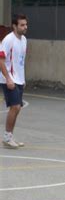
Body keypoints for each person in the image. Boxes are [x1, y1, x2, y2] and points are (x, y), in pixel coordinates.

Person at [0, 14, 28, 149]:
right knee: (15, 107)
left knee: (17, 109)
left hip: (19, 79)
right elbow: (1, 60)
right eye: (22, 25)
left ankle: (9, 136)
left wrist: (23, 79)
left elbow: (21, 62)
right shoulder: (8, 40)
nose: (25, 27)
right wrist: (8, 78)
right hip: (8, 79)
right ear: (14, 26)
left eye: (26, 24)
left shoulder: (24, 40)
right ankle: (6, 137)